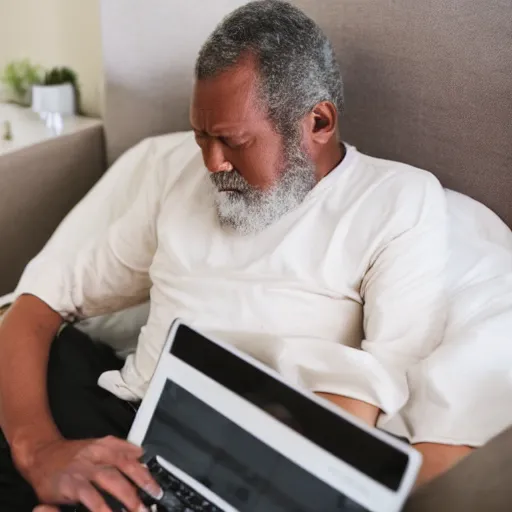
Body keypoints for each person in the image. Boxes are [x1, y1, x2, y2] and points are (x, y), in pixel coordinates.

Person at [0, 1, 470, 511]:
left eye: (233, 141)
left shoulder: (395, 200)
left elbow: (380, 395)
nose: (211, 162)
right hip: (123, 419)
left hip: (251, 460)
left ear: (318, 121)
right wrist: (41, 453)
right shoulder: (178, 171)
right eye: (201, 135)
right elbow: (36, 306)